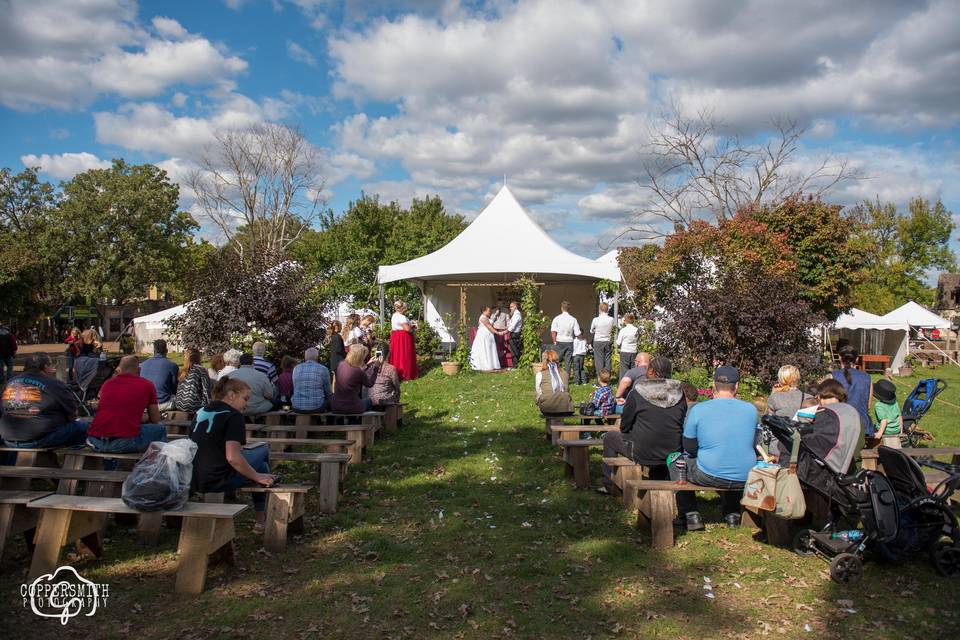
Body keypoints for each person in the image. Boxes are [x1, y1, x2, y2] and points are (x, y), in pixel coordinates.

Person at [669, 365, 759, 531]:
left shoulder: (699, 409)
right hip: (745, 475)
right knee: (733, 457)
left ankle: (689, 514)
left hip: (708, 474)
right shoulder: (751, 410)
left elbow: (688, 446)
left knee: (674, 459)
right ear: (737, 386)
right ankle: (732, 514)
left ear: (713, 385)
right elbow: (754, 443)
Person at [190, 377, 275, 533]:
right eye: (245, 398)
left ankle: (261, 520)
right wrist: (256, 476)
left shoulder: (201, 411)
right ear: (231, 395)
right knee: (263, 449)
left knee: (261, 466)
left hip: (195, 478)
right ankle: (262, 517)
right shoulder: (234, 416)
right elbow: (233, 457)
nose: (247, 404)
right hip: (219, 478)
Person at [601, 356, 686, 494]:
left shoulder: (637, 393)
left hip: (642, 452)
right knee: (658, 439)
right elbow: (680, 420)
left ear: (651, 371)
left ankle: (609, 485)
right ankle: (658, 479)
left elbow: (625, 425)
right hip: (672, 452)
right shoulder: (680, 394)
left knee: (610, 437)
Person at [1, 352, 88, 448]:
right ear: (46, 367)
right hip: (39, 439)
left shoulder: (9, 383)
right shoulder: (55, 385)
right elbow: (73, 414)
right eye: (51, 365)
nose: (52, 369)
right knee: (83, 426)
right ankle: (72, 459)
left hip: (8, 439)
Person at [86, 356, 167, 454]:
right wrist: (145, 418)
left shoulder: (107, 384)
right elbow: (155, 419)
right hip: (123, 442)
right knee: (160, 429)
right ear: (139, 370)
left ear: (119, 369)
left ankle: (110, 465)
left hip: (95, 440)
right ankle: (155, 466)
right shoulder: (147, 385)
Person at [832, 345, 873, 434]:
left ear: (839, 357)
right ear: (857, 359)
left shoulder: (832, 376)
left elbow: (828, 404)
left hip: (839, 424)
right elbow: (868, 405)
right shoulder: (867, 377)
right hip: (862, 425)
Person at [332, 344, 380, 414]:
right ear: (359, 358)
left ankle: (346, 422)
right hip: (352, 407)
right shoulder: (358, 371)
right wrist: (376, 368)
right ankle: (360, 423)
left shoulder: (340, 365)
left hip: (336, 405)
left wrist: (367, 365)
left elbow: (353, 375)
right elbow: (370, 384)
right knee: (369, 401)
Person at [139, 339, 179, 412]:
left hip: (144, 405)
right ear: (166, 351)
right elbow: (175, 389)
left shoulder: (141, 365)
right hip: (162, 404)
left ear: (154, 351)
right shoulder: (172, 366)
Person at [292, 348, 332, 413]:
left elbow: (295, 387)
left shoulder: (296, 368)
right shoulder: (323, 369)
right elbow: (328, 392)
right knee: (329, 400)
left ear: (305, 357)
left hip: (297, 406)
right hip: (317, 407)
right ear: (317, 357)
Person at [535, 349, 574, 415]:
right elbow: (567, 390)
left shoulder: (540, 374)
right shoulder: (565, 373)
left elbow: (539, 392)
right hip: (566, 408)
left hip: (548, 408)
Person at [388, 301, 418, 381]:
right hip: (403, 337)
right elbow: (407, 328)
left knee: (397, 354)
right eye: (405, 308)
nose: (406, 309)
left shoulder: (394, 316)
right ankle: (404, 374)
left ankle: (396, 373)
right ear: (402, 308)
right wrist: (414, 329)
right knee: (404, 354)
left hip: (396, 336)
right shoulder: (401, 317)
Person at [174, 348, 211, 413]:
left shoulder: (182, 371)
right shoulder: (201, 370)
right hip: (192, 406)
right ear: (198, 357)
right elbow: (206, 391)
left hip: (178, 405)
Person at [550, 301, 581, 377]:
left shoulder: (557, 318)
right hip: (569, 342)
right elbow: (577, 333)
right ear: (569, 309)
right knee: (568, 362)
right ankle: (566, 378)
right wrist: (583, 339)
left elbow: (553, 331)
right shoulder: (573, 319)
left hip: (559, 341)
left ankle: (557, 376)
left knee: (558, 361)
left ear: (561, 308)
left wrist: (554, 341)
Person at [470, 305, 505, 371]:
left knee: (489, 349)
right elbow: (489, 326)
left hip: (488, 336)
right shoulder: (483, 318)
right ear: (484, 311)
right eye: (489, 311)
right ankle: (485, 365)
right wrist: (498, 333)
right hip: (484, 336)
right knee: (484, 349)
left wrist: (496, 314)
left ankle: (491, 364)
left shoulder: (486, 317)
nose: (490, 312)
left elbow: (491, 321)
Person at [872, 379, 902, 448]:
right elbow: (899, 416)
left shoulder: (879, 405)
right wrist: (900, 430)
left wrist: (880, 433)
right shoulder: (895, 403)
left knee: (871, 428)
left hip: (886, 430)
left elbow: (884, 421)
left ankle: (873, 448)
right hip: (896, 429)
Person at [590, 303, 614, 374]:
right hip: (607, 340)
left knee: (599, 361)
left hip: (598, 341)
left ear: (600, 309)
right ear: (607, 309)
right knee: (608, 361)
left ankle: (600, 380)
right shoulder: (611, 319)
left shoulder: (595, 319)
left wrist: (596, 330)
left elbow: (591, 330)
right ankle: (607, 379)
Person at [615, 314, 639, 379]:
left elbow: (618, 342)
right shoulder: (636, 330)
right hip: (634, 351)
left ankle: (623, 386)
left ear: (625, 321)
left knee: (624, 371)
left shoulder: (623, 330)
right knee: (633, 370)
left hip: (625, 351)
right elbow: (638, 340)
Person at [506, 301, 523, 368]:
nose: (510, 308)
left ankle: (516, 365)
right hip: (514, 334)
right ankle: (516, 365)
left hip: (515, 334)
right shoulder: (514, 314)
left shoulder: (517, 314)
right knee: (514, 350)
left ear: (515, 306)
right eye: (510, 307)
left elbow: (512, 326)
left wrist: (506, 331)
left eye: (511, 307)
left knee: (515, 350)